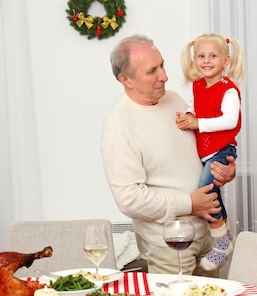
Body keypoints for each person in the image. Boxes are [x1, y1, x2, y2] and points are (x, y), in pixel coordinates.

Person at [101, 34, 236, 277]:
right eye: (152, 71)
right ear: (126, 79)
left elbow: (203, 149)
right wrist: (190, 203)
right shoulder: (119, 126)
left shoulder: (174, 100)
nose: (164, 76)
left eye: (162, 65)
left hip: (208, 237)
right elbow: (129, 199)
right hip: (170, 246)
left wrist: (225, 168)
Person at [176, 33, 245, 271]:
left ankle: (220, 242)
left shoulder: (228, 90)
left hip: (222, 148)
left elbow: (229, 120)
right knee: (212, 193)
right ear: (195, 59)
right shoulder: (197, 86)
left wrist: (197, 124)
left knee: (205, 193)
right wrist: (187, 115)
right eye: (201, 56)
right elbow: (195, 107)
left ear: (225, 61)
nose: (207, 60)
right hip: (206, 151)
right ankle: (224, 237)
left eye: (213, 56)